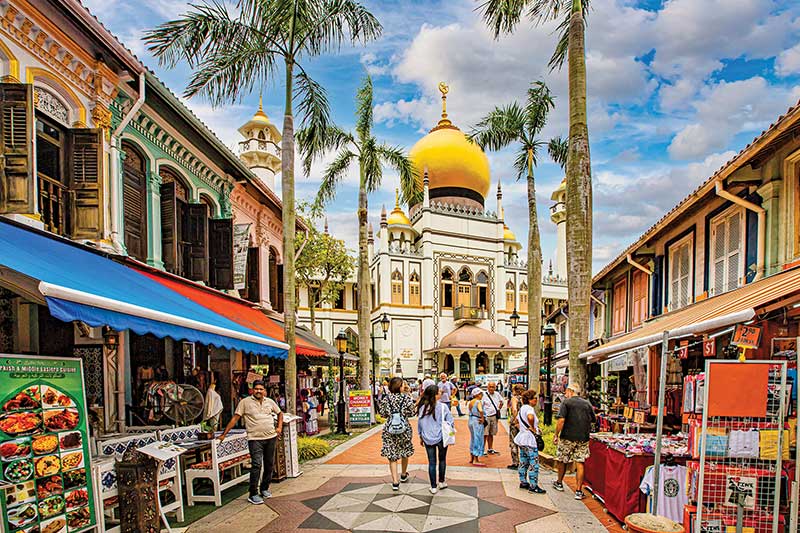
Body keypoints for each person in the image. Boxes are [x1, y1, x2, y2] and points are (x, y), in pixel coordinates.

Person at [219, 380, 283, 505]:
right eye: (256, 389)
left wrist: (279, 428)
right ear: (252, 390)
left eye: (261, 389)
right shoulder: (245, 402)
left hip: (271, 437)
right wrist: (223, 434)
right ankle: (253, 493)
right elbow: (235, 418)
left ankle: (264, 488)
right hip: (255, 439)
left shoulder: (269, 402)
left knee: (269, 464)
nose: (259, 391)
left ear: (264, 390)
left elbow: (280, 413)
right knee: (257, 464)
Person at [553, 383, 596, 500]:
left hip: (567, 436)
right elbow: (593, 420)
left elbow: (561, 420)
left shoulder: (566, 402)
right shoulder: (587, 403)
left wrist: (556, 434)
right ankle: (578, 490)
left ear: (570, 391)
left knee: (562, 459)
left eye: (566, 391)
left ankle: (559, 483)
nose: (565, 393)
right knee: (580, 462)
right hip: (583, 437)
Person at [379, 377, 416, 491]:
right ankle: (403, 474)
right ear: (400, 387)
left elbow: (382, 414)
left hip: (389, 429)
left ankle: (395, 481)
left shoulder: (386, 399)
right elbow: (412, 413)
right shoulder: (406, 398)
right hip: (404, 429)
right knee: (405, 451)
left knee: (392, 454)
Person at [417, 384, 454, 494]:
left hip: (427, 437)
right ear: (435, 394)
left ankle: (433, 486)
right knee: (442, 460)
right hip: (441, 437)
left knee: (432, 462)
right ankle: (441, 482)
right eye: (439, 392)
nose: (441, 393)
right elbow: (450, 421)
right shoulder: (443, 407)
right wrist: (451, 434)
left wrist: (420, 436)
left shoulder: (422, 407)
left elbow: (420, 423)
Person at [515, 389, 546, 494]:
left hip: (522, 438)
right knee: (534, 463)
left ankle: (523, 481)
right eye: (534, 398)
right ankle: (533, 485)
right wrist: (532, 427)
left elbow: (516, 422)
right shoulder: (529, 409)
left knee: (523, 461)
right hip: (529, 440)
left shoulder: (521, 408)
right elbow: (530, 417)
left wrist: (523, 428)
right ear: (529, 400)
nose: (536, 400)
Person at [482, 381, 504, 455]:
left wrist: (498, 409)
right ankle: (482, 449)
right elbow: (480, 405)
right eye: (490, 387)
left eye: (493, 387)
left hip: (494, 416)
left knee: (491, 433)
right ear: (487, 387)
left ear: (495, 387)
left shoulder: (497, 394)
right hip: (486, 417)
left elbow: (502, 402)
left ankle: (490, 448)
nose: (491, 388)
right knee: (485, 434)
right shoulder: (484, 395)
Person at [507, 383, 525, 469]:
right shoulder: (525, 399)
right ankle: (523, 461)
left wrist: (515, 419)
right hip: (524, 423)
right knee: (522, 442)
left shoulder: (514, 398)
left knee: (513, 442)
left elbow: (514, 409)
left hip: (516, 423)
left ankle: (515, 462)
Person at [468, 388, 487, 466]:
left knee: (473, 438)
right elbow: (481, 410)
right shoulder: (478, 401)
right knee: (478, 438)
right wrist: (482, 418)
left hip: (471, 419)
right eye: (481, 394)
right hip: (477, 420)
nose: (482, 395)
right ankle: (476, 458)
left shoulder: (471, 402)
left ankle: (472, 457)